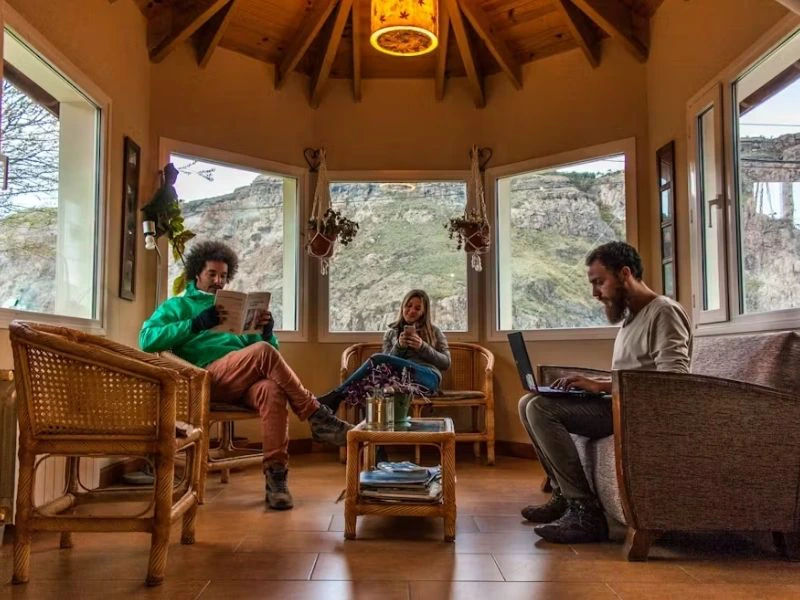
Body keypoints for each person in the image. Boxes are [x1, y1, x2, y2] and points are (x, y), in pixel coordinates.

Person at [139, 240, 352, 511]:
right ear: (197, 274)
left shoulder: (233, 307)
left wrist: (267, 333)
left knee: (273, 390)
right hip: (206, 379)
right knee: (262, 353)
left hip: (241, 381)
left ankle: (276, 479)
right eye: (212, 274)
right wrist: (195, 324)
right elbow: (147, 339)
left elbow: (272, 360)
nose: (218, 281)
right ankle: (316, 414)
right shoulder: (177, 306)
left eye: (223, 276)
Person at [518, 241, 692, 544]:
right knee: (527, 402)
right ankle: (563, 495)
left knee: (540, 408)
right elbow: (633, 371)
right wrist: (592, 382)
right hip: (620, 404)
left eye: (599, 282)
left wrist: (601, 386)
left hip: (641, 414)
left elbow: (674, 381)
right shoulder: (632, 318)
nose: (595, 293)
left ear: (625, 274)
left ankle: (585, 513)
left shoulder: (664, 312)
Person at [317, 289, 451, 412]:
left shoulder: (434, 332)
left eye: (417, 308)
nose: (411, 311)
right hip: (402, 379)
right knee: (373, 381)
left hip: (428, 377)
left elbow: (446, 363)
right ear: (402, 307)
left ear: (424, 312)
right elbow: (385, 364)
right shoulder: (391, 333)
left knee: (377, 358)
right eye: (408, 306)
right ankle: (369, 424)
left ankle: (335, 396)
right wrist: (399, 346)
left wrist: (422, 347)